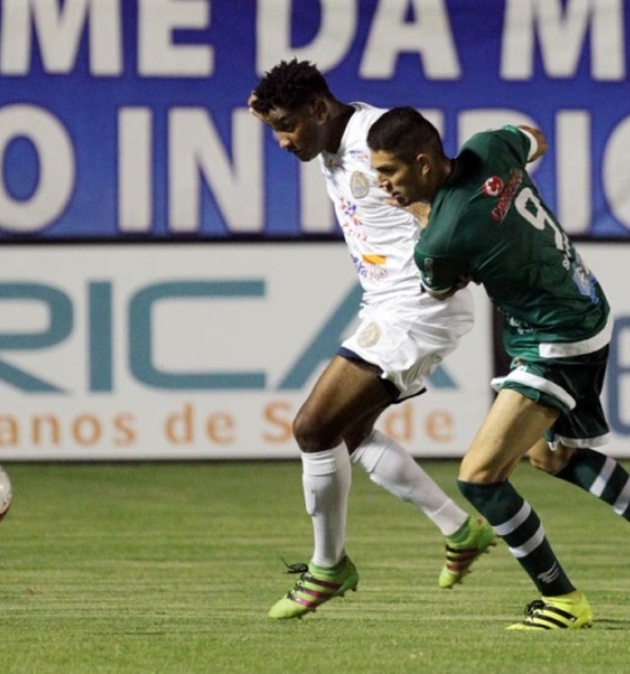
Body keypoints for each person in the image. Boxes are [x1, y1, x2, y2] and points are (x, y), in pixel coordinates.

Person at [366, 107, 630, 630]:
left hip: (554, 342)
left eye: (388, 172)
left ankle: (563, 600)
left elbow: (438, 288)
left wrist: (421, 214)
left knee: (479, 479)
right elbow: (535, 139)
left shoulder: (441, 237)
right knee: (549, 456)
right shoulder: (490, 146)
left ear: (423, 163)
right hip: (585, 306)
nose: (381, 184)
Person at [248, 61, 496, 620]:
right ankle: (460, 530)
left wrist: (450, 254)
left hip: (418, 303)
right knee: (351, 435)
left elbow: (439, 194)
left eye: (287, 126)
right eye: (274, 130)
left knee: (313, 427)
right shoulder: (329, 132)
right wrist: (268, 106)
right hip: (386, 302)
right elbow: (294, 113)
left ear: (319, 109)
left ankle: (329, 566)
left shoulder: (379, 140)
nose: (283, 142)